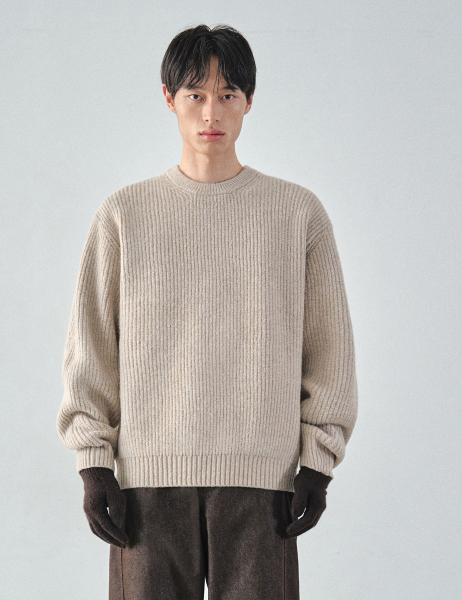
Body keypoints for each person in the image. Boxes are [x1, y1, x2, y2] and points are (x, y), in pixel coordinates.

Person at [56, 23, 358, 600]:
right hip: (147, 481)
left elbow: (329, 349)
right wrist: (94, 465)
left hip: (262, 478)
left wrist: (317, 463)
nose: (211, 112)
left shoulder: (297, 214)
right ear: (169, 98)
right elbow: (90, 346)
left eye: (227, 94)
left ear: (249, 100)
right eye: (195, 94)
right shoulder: (124, 215)